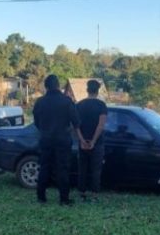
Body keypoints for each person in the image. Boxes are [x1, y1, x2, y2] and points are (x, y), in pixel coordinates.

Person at [33, 74, 80, 205]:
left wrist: (45, 130)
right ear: (58, 85)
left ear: (46, 86)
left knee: (44, 167)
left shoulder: (40, 102)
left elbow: (37, 122)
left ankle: (41, 197)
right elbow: (75, 122)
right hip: (62, 139)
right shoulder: (67, 101)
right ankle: (64, 199)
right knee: (63, 168)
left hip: (46, 138)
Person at [76, 79, 108, 201]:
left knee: (82, 168)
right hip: (97, 143)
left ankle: (82, 193)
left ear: (87, 90)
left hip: (82, 142)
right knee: (96, 169)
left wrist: (82, 140)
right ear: (98, 90)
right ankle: (94, 195)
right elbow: (101, 125)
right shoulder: (101, 105)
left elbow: (76, 125)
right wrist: (93, 141)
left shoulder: (79, 105)